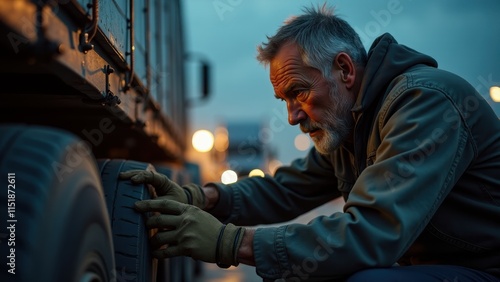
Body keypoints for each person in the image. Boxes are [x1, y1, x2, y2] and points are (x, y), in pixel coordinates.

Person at [119, 4, 500, 281]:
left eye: (298, 92)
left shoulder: (425, 104)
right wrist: (200, 198)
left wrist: (229, 242)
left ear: (345, 70)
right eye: (284, 101)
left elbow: (372, 233)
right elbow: (285, 189)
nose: (292, 116)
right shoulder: (350, 125)